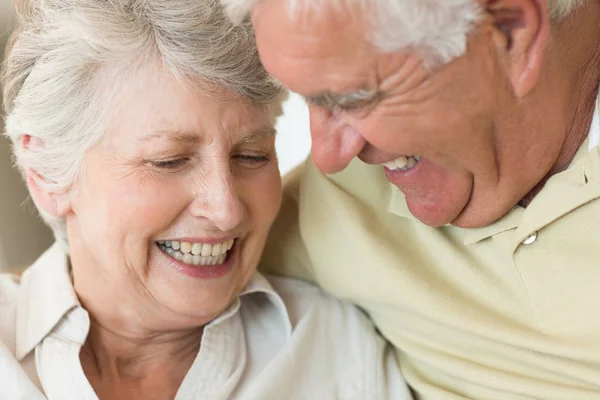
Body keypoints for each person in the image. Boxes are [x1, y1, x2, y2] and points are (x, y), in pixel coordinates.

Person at [0, 0, 412, 399]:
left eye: (252, 156)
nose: (226, 209)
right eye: (169, 161)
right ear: (48, 175)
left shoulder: (334, 349)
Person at [221, 0, 600, 398]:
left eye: (352, 98)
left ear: (510, 33)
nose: (329, 157)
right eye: (310, 100)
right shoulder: (331, 203)